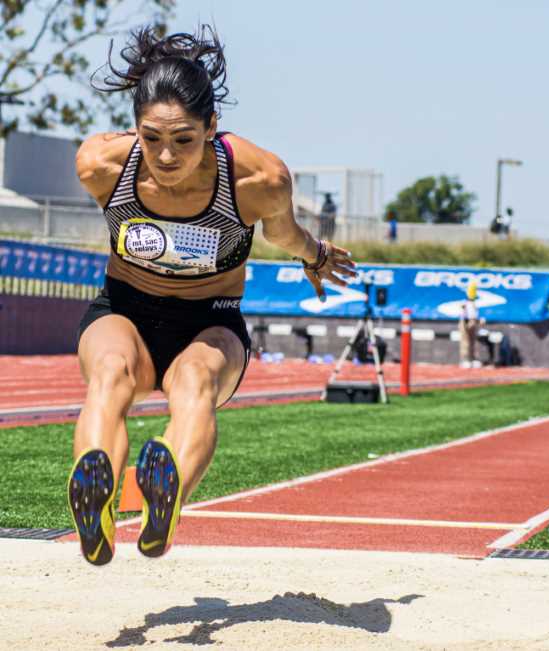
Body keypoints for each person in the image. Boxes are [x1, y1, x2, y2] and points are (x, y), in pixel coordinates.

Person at [66, 25, 356, 566]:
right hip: (123, 307)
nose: (166, 156)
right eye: (151, 138)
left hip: (210, 320)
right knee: (110, 371)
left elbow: (283, 234)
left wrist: (313, 253)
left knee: (194, 380)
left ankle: (165, 494)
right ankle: (96, 504)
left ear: (212, 127)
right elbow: (121, 153)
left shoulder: (257, 178)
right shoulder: (101, 166)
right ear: (134, 129)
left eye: (184, 140)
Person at [458, 280, 480, 368]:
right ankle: (464, 359)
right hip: (465, 321)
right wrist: (465, 323)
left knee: (473, 342)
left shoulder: (475, 303)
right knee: (465, 342)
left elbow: (475, 314)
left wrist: (476, 321)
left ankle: (472, 359)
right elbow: (462, 314)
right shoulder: (464, 303)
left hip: (473, 321)